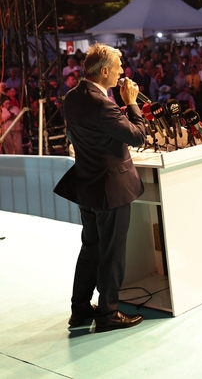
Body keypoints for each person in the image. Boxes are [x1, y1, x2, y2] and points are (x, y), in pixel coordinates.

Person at [53, 42, 146, 333]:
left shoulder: (73, 97)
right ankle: (108, 313)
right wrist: (131, 103)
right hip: (111, 188)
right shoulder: (103, 103)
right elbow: (137, 136)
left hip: (87, 186)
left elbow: (95, 132)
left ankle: (79, 309)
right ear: (104, 71)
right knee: (111, 252)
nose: (122, 72)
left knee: (91, 248)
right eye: (118, 68)